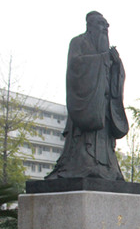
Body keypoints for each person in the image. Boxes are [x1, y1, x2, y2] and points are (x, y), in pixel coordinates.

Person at [47, 11, 128, 180]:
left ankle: (107, 168)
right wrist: (102, 59)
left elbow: (116, 77)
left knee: (104, 143)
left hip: (104, 107)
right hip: (88, 105)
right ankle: (83, 165)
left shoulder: (105, 50)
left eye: (106, 25)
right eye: (101, 24)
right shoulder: (78, 42)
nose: (105, 28)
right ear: (89, 26)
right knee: (84, 146)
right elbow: (76, 66)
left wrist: (116, 65)